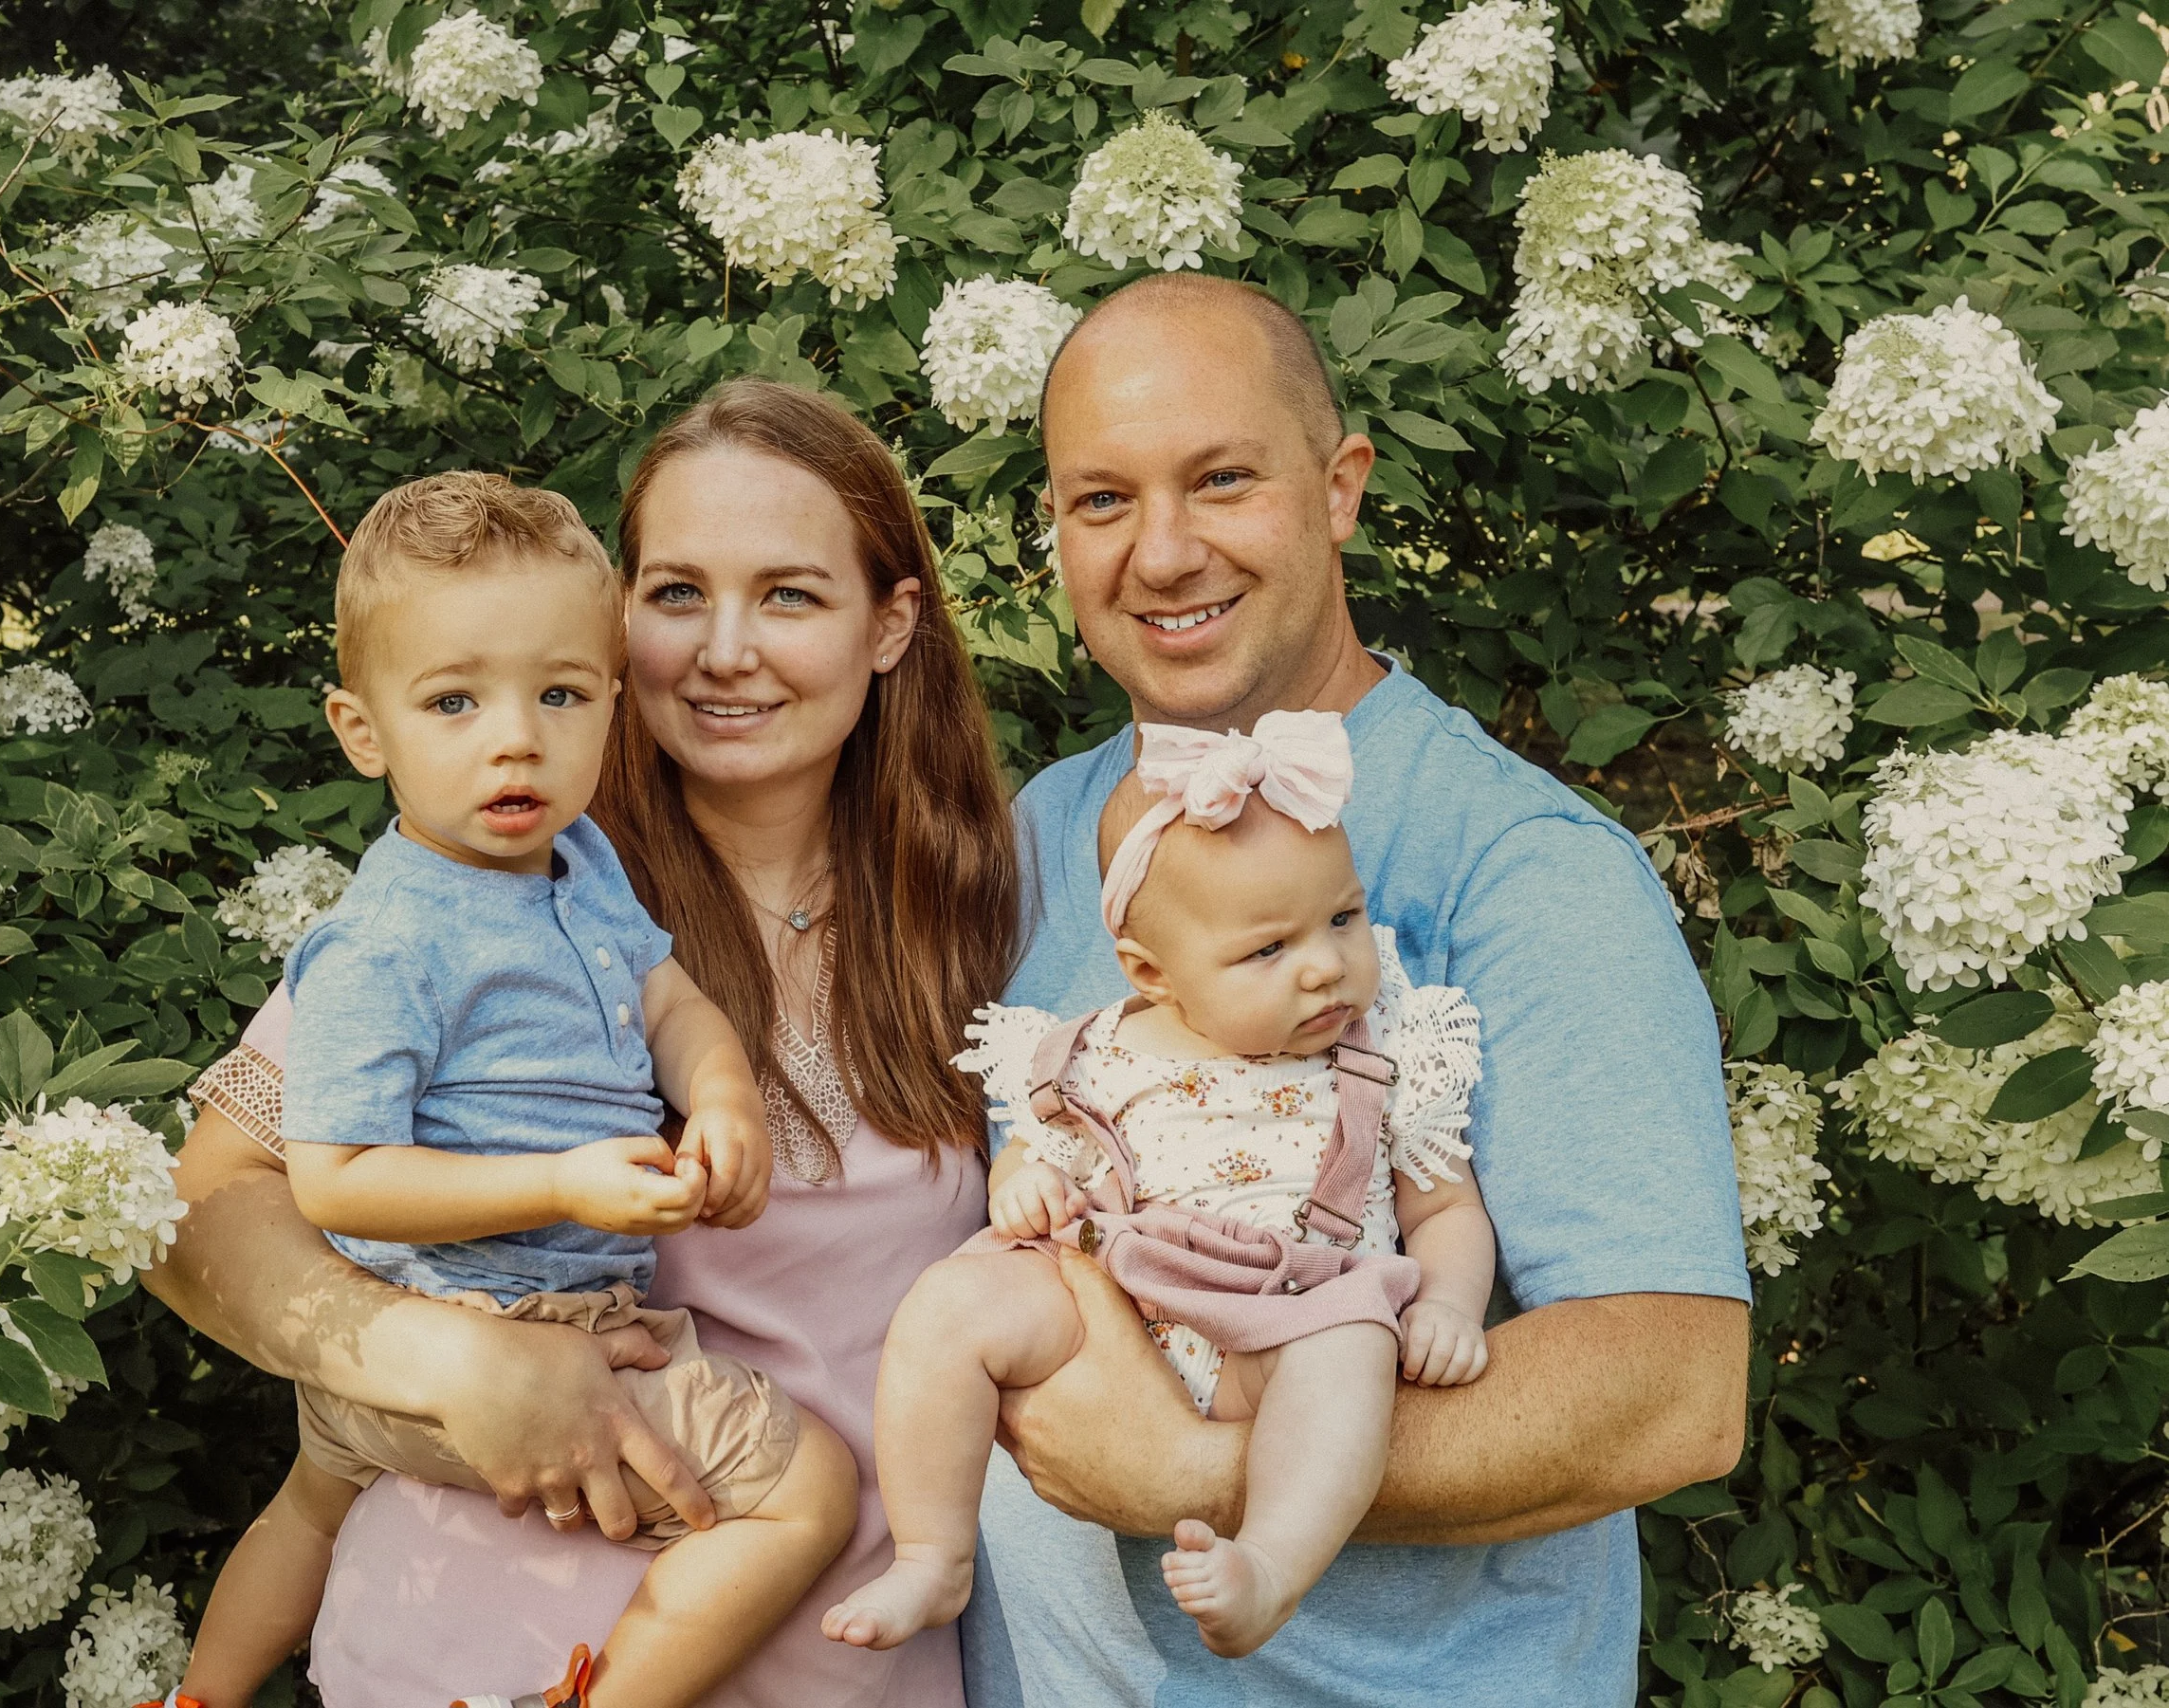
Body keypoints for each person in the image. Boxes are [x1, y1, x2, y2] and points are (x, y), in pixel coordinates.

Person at [143, 379, 1017, 1707]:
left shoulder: (986, 909)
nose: (725, 649)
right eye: (675, 594)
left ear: (890, 623)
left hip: (853, 1667)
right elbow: (200, 1214)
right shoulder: (498, 885)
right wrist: (454, 1361)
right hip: (480, 1645)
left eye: (788, 594)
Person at [956, 273, 1751, 1707]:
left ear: (1340, 490)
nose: (1164, 550)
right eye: (1101, 500)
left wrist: (1200, 1470)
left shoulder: (1520, 865)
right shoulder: (1027, 841)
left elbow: (1674, 1389)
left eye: (1222, 480)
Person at [825, 708, 1496, 1661]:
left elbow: (1444, 1205)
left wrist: (1453, 1306)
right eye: (1267, 950)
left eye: (1341, 918)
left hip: (1284, 1319)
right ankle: (931, 1550)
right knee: (950, 1300)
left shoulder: (1385, 1042)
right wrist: (1023, 1184)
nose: (1323, 967)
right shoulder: (1096, 1050)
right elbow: (1043, 1154)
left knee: (1351, 1349)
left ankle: (1269, 1564)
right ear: (1152, 970)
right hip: (1120, 1311)